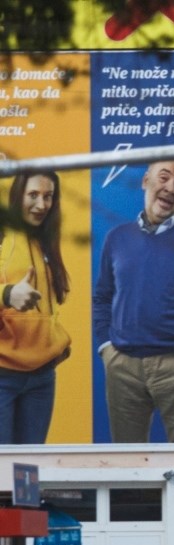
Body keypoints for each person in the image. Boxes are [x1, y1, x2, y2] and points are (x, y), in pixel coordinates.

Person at [93, 158, 174, 443]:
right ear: (145, 181)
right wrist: (106, 348)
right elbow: (102, 298)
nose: (171, 188)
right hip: (123, 367)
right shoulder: (116, 238)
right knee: (128, 465)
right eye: (164, 177)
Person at [0, 170, 72, 445]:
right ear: (18, 195)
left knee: (27, 474)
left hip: (41, 378)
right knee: (2, 476)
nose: (41, 205)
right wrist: (7, 294)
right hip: (2, 376)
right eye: (33, 195)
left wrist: (54, 340)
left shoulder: (45, 239)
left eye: (48, 196)